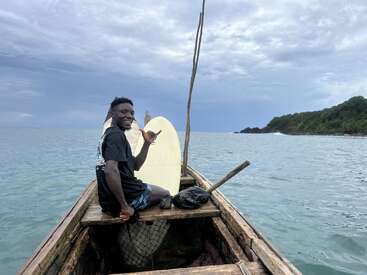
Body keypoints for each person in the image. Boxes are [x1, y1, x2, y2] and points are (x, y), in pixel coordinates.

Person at [96, 97, 170, 221]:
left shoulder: (110, 134)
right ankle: (147, 220)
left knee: (157, 190)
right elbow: (110, 170)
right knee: (166, 194)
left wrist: (146, 144)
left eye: (131, 113)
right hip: (126, 200)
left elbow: (136, 165)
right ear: (112, 114)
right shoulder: (116, 136)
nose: (129, 116)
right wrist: (125, 206)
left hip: (109, 201)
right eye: (123, 112)